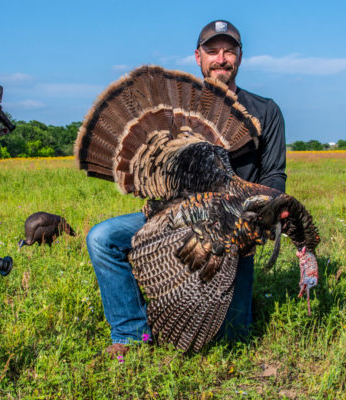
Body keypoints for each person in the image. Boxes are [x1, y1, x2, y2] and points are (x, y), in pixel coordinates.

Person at [86, 20, 287, 357]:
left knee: (232, 339)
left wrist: (254, 216)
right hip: (177, 216)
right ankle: (131, 334)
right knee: (102, 238)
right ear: (198, 57)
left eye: (229, 51)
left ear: (239, 56)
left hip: (233, 231)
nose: (221, 59)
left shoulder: (266, 111)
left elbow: (274, 177)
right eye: (212, 51)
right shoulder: (179, 111)